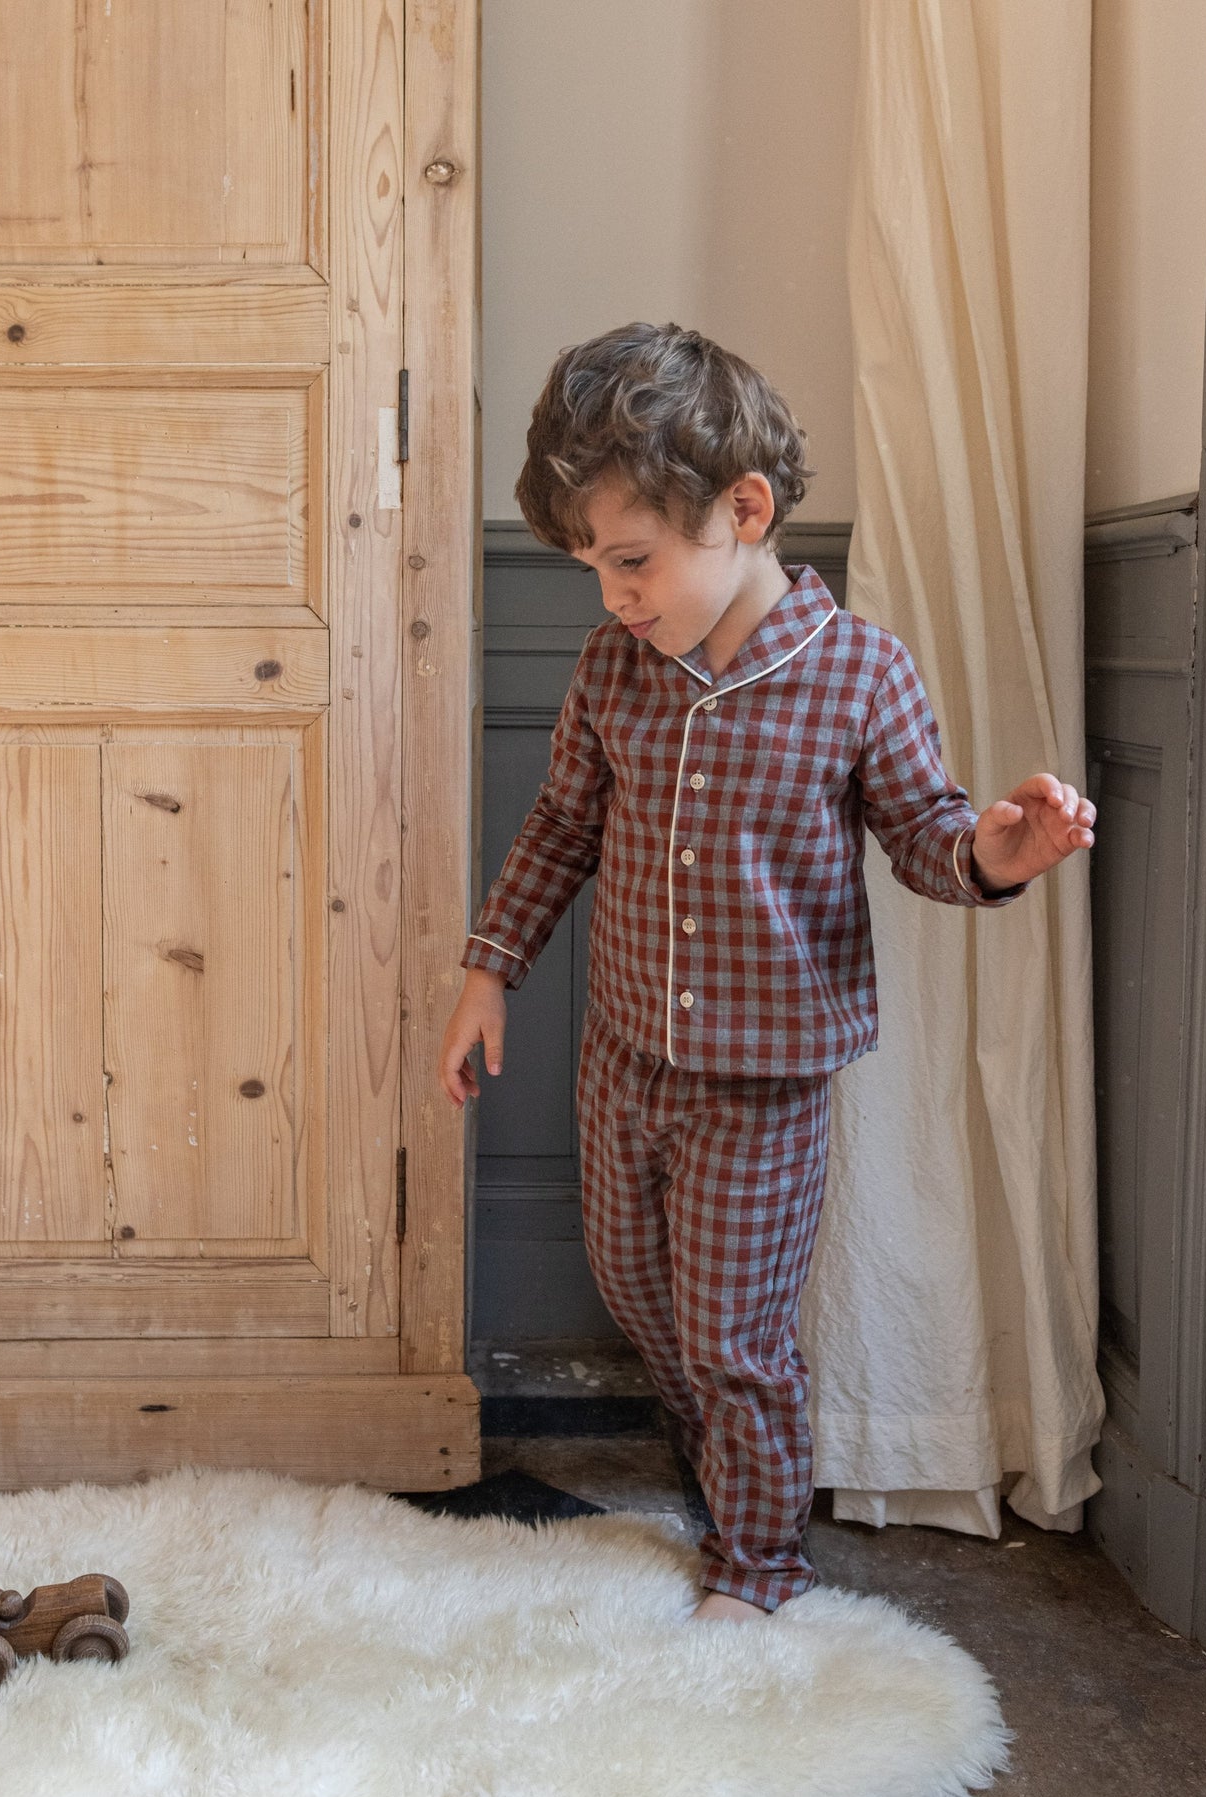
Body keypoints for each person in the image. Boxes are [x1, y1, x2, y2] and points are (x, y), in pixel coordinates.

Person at [437, 323, 1096, 1623]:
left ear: (745, 509)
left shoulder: (861, 675)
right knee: (637, 1294)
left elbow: (926, 835)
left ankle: (756, 1565)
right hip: (622, 1056)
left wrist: (1001, 853)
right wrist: (487, 971)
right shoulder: (613, 667)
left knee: (736, 1340)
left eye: (634, 562)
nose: (615, 597)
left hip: (767, 1086)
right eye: (592, 571)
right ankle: (724, 1470)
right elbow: (562, 826)